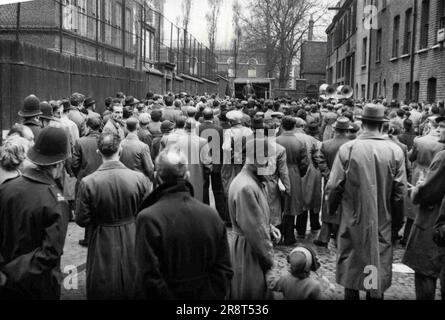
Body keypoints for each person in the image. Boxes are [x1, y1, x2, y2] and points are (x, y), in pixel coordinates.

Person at [326, 104, 407, 300]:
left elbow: (334, 186)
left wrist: (332, 213)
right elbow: (399, 193)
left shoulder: (349, 148)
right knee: (374, 263)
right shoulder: (395, 151)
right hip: (382, 219)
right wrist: (397, 223)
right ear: (382, 125)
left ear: (362, 123)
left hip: (352, 218)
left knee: (352, 268)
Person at [134, 147, 233, 300]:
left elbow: (148, 276)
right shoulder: (211, 215)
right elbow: (224, 269)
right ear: (187, 176)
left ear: (157, 178)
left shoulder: (148, 218)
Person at [75, 132, 150, 300]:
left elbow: (81, 219)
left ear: (98, 152)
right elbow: (147, 212)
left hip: (102, 236)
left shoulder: (88, 182)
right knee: (133, 279)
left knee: (103, 282)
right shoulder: (139, 179)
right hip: (132, 234)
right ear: (120, 149)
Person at [0, 127, 70, 299]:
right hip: (38, 287)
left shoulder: (7, 188)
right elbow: (49, 255)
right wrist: (12, 273)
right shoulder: (56, 201)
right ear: (60, 163)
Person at [228, 138, 281, 300]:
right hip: (250, 251)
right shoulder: (246, 186)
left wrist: (269, 227)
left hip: (249, 248)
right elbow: (255, 231)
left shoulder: (252, 181)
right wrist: (269, 260)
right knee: (252, 294)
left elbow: (256, 217)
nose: (269, 165)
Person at [403, 115, 445, 300]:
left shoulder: (443, 156)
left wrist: (417, 189)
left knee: (425, 270)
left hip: (434, 220)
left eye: (441, 126)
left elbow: (428, 193)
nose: (437, 129)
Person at [314, 117, 353, 248]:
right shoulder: (352, 145)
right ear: (347, 130)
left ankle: (324, 237)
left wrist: (328, 175)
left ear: (335, 129)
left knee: (327, 206)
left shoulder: (326, 144)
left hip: (329, 181)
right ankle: (339, 237)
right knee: (343, 207)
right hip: (347, 182)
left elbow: (320, 160)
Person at [276, 117, 310, 245]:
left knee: (278, 204)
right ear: (294, 126)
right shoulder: (299, 142)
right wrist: (299, 173)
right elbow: (305, 163)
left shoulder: (276, 140)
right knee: (291, 206)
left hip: (278, 173)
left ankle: (278, 233)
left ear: (282, 125)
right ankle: (289, 236)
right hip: (294, 173)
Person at [71, 116, 103, 247]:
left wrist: (79, 173)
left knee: (87, 207)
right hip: (102, 176)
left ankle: (88, 238)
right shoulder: (106, 139)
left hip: (85, 177)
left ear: (89, 127)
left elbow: (74, 163)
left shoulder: (80, 142)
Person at [199, 108, 227, 223]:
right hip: (216, 162)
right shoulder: (220, 129)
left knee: (204, 188)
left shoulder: (198, 129)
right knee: (218, 189)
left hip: (202, 162)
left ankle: (205, 214)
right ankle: (223, 215)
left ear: (203, 116)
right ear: (212, 117)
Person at [120, 117, 154, 183]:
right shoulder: (143, 146)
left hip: (124, 180)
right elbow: (150, 168)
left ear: (126, 128)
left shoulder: (120, 144)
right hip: (139, 181)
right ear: (138, 128)